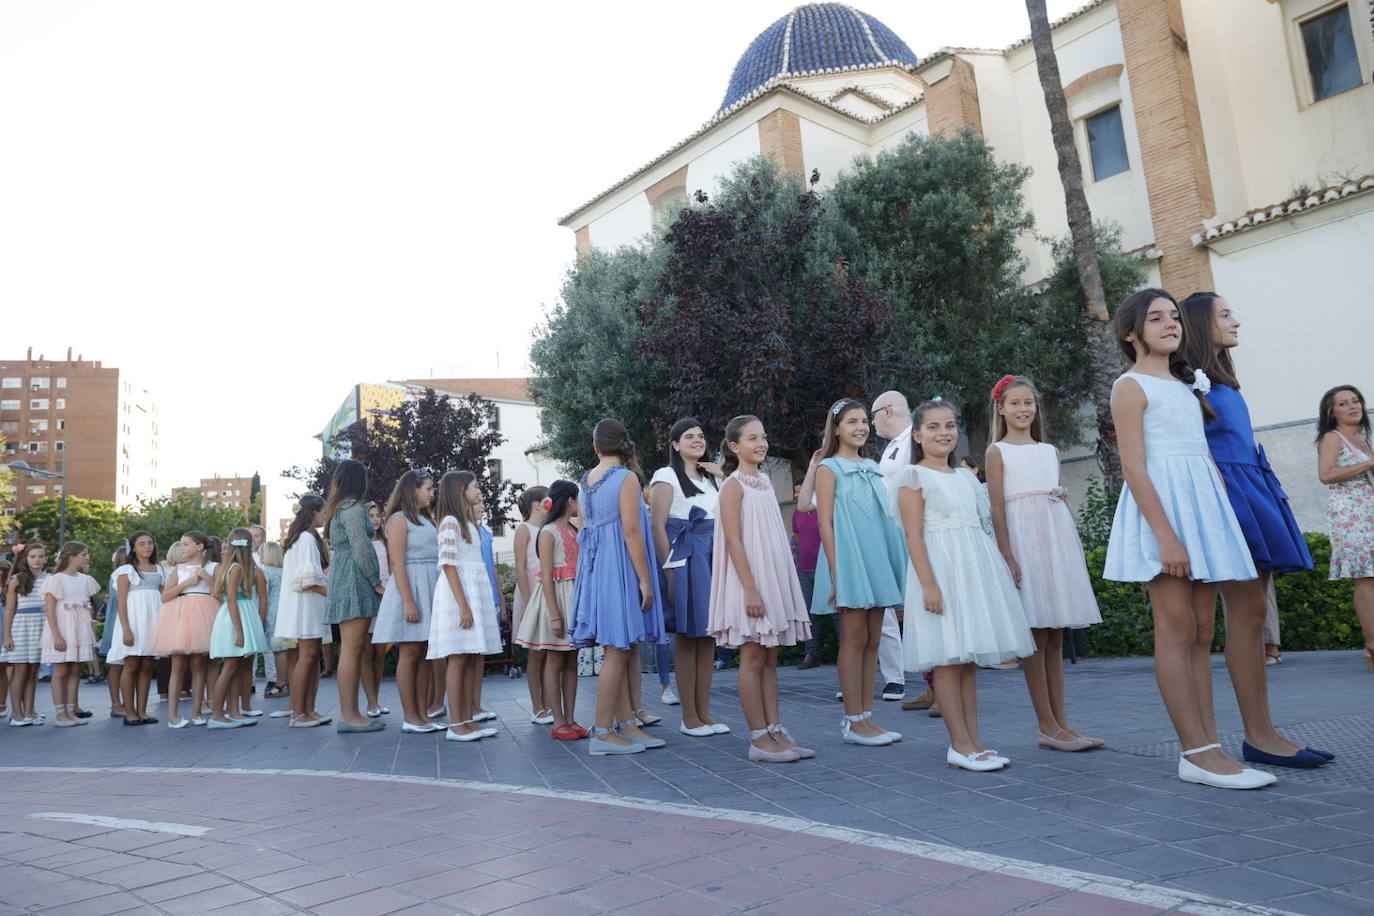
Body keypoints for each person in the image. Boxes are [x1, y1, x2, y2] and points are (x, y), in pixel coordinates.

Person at [1105, 288, 1273, 790]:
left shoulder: (1185, 386)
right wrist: (1167, 537)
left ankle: (1212, 746)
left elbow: (1201, 459)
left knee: (1203, 631)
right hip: (1164, 514)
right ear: (1132, 333)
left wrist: (1215, 525)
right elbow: (1134, 467)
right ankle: (1194, 752)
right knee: (1176, 630)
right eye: (1155, 318)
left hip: (1201, 511)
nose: (1170, 324)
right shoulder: (1130, 387)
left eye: (1174, 317)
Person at [1180, 293, 1329, 767]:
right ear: (1203, 325)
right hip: (1228, 499)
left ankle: (1263, 732)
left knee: (1253, 618)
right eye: (1225, 315)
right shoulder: (1189, 387)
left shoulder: (1224, 384)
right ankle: (1254, 736)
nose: (1236, 321)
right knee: (1235, 618)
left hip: (1251, 489)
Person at [895, 400, 1035, 771]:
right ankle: (958, 744)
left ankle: (975, 741)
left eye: (950, 425)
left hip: (972, 569)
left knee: (968, 658)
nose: (944, 433)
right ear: (917, 435)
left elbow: (980, 524)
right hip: (940, 570)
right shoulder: (914, 477)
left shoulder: (965, 476)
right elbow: (912, 535)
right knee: (947, 657)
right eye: (934, 427)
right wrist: (928, 585)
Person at [985, 375, 1103, 752]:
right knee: (1035, 636)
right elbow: (997, 507)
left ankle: (1063, 723)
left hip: (1054, 540)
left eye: (1029, 402)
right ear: (1001, 408)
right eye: (1015, 402)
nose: (1023, 409)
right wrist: (1007, 554)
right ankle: (1046, 725)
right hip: (1023, 539)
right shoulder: (997, 452)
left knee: (1055, 634)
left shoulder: (1048, 450)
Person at [710, 416, 813, 763]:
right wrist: (750, 589)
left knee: (770, 658)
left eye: (763, 437)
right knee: (753, 658)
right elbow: (733, 541)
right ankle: (757, 738)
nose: (761, 443)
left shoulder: (765, 482)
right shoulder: (733, 486)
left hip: (772, 578)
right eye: (752, 438)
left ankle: (775, 730)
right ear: (735, 446)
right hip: (749, 582)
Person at [811, 399, 906, 746]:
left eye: (864, 421)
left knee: (872, 640)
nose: (860, 427)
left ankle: (867, 717)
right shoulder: (829, 468)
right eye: (851, 421)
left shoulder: (871, 465)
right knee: (853, 639)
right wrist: (838, 573)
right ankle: (852, 719)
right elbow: (825, 523)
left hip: (875, 558)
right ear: (836, 428)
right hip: (849, 561)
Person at [571, 418, 669, 756]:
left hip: (598, 569)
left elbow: (583, 533)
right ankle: (602, 731)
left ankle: (626, 723)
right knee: (617, 648)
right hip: (621, 569)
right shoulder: (626, 478)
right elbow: (631, 532)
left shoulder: (585, 481)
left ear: (596, 447)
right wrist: (645, 579)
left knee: (624, 646)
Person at [649, 418, 727, 738]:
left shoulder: (712, 477)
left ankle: (704, 711)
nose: (697, 440)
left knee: (708, 635)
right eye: (689, 436)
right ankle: (689, 717)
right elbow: (657, 526)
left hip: (712, 556)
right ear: (675, 444)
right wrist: (669, 570)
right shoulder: (665, 476)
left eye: (701, 435)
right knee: (687, 636)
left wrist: (725, 474)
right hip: (683, 557)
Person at [428, 470, 503, 741]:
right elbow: (448, 564)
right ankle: (456, 723)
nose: (478, 490)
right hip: (458, 595)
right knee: (458, 658)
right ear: (460, 490)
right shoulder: (450, 522)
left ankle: (469, 719)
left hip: (474, 593)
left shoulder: (469, 524)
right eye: (474, 486)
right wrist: (463, 605)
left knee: (471, 656)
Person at [516, 480, 584, 739]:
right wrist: (554, 614)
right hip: (554, 600)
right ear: (569, 501)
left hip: (573, 599)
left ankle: (570, 717)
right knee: (555, 659)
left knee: (571, 660)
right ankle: (557, 721)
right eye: (577, 500)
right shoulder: (548, 532)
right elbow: (545, 576)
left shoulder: (575, 530)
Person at [372, 471, 439, 732]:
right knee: (410, 652)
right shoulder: (399, 520)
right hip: (410, 588)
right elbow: (396, 562)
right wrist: (409, 601)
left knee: (424, 653)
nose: (432, 493)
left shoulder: (426, 519)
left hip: (429, 586)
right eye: (428, 488)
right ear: (412, 490)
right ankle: (411, 717)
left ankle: (423, 714)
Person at [323, 459, 385, 733]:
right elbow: (362, 547)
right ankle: (349, 716)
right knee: (352, 649)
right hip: (354, 580)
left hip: (344, 576)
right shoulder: (352, 508)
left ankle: (352, 713)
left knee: (352, 649)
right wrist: (375, 581)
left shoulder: (339, 508)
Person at [1316, 384, 1374, 672]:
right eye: (1344, 403)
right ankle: (1372, 646)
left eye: (1356, 401)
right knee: (1365, 578)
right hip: (1351, 516)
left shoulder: (1363, 438)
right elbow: (1326, 475)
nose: (1353, 406)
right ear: (1332, 412)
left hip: (1370, 513)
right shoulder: (1332, 437)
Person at [152, 531, 219, 728]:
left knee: (200, 666)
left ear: (199, 546)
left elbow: (220, 595)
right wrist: (185, 583)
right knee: (178, 666)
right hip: (180, 617)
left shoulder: (213, 567)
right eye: (181, 545)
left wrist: (207, 578)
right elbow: (165, 596)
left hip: (203, 615)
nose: (182, 548)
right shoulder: (178, 569)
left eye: (186, 544)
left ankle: (197, 711)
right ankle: (173, 716)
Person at [277, 495, 332, 727]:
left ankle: (308, 709)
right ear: (313, 513)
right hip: (306, 604)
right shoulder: (307, 538)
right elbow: (307, 580)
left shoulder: (301, 538)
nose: (325, 515)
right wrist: (334, 595)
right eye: (323, 512)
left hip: (307, 603)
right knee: (308, 657)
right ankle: (299, 713)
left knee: (311, 657)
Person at [207, 529, 270, 728]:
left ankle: (234, 712)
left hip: (243, 615)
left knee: (235, 667)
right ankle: (217, 714)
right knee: (230, 667)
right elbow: (232, 600)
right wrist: (240, 631)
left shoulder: (237, 568)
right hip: (235, 619)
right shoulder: (235, 568)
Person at [39, 541, 99, 727]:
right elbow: (49, 610)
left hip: (78, 629)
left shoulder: (85, 579)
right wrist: (56, 635)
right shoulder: (55, 580)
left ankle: (71, 710)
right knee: (61, 669)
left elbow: (85, 607)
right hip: (62, 629)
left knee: (74, 669)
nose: (87, 557)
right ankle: (60, 714)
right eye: (84, 554)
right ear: (72, 557)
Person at [109, 531, 164, 726]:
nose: (147, 547)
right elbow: (122, 601)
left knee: (147, 665)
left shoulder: (159, 569)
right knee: (131, 664)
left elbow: (162, 596)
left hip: (152, 621)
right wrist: (126, 629)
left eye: (150, 543)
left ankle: (143, 710)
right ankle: (130, 711)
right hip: (133, 621)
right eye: (142, 544)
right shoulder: (126, 570)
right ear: (133, 548)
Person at [511, 486, 551, 723]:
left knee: (549, 652)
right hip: (531, 594)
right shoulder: (524, 529)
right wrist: (526, 601)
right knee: (536, 653)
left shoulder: (548, 528)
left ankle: (549, 702)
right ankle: (538, 706)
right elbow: (520, 566)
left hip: (549, 593)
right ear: (537, 504)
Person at [2, 543, 48, 725]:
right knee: (20, 671)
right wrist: (7, 635)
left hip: (41, 626)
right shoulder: (17, 579)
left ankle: (30, 710)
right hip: (21, 627)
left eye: (40, 556)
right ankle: (17, 714)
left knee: (33, 671)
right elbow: (10, 609)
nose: (37, 560)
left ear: (46, 558)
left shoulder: (49, 579)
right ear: (26, 559)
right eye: (33, 556)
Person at [791, 482, 823, 670]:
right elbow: (796, 536)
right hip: (804, 570)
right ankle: (812, 654)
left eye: (800, 491)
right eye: (796, 492)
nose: (797, 495)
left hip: (824, 570)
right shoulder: (797, 513)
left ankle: (845, 651)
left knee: (836, 613)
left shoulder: (823, 508)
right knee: (808, 615)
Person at [259, 541, 292, 717]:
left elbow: (263, 596)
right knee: (284, 650)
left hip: (271, 613)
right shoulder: (285, 571)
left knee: (277, 651)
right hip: (285, 612)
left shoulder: (265, 573)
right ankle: (286, 681)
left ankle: (281, 683)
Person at [98, 545, 129, 718]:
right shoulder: (117, 576)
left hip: (128, 620)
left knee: (128, 665)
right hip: (117, 621)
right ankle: (116, 704)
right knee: (117, 664)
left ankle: (127, 702)